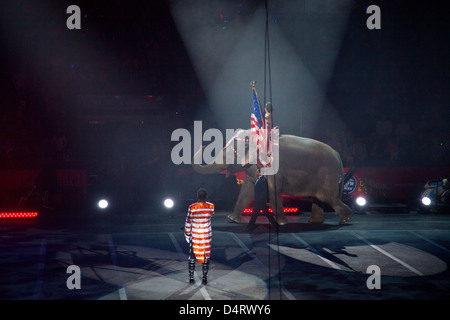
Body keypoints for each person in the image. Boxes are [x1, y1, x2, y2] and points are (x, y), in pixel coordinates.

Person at [185, 188, 214, 285]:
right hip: (206, 235)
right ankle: (204, 278)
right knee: (206, 256)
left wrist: (187, 233)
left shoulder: (192, 207)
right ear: (206, 196)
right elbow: (211, 215)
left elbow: (188, 221)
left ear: (197, 196)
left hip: (196, 235)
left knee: (192, 255)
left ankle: (191, 278)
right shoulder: (211, 206)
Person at [246, 166, 277, 231]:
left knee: (254, 214)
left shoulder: (263, 180)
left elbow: (266, 192)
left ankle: (249, 227)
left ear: (260, 173)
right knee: (267, 215)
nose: (255, 172)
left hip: (261, 201)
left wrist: (267, 201)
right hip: (259, 201)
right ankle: (276, 226)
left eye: (257, 171)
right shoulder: (259, 179)